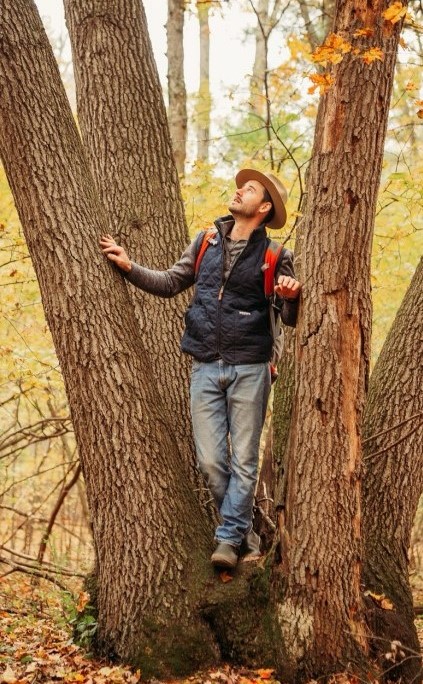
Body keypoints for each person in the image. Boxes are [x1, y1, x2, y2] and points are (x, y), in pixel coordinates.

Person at [99, 168, 301, 569]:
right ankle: (247, 532)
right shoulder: (206, 241)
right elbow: (171, 282)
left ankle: (227, 541)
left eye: (251, 189)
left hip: (250, 367)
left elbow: (289, 316)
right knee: (211, 462)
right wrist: (129, 266)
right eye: (241, 185)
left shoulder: (276, 255)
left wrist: (290, 296)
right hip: (205, 366)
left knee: (244, 460)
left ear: (263, 208)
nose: (240, 189)